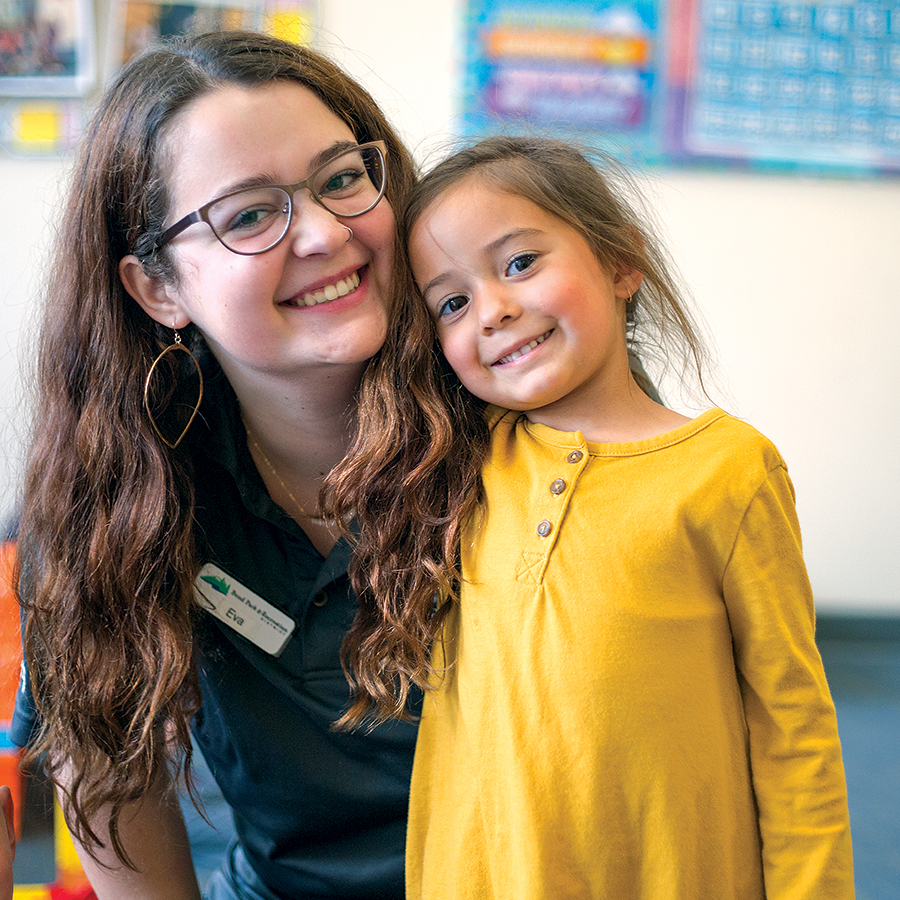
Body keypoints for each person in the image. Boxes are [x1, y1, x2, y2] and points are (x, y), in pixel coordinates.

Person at [325, 136, 855, 899]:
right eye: (452, 302)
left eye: (519, 263)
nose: (494, 311)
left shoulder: (728, 470)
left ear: (619, 263)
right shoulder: (457, 466)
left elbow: (792, 722)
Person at [12, 30, 421, 900]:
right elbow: (101, 768)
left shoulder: (528, 414)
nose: (322, 233)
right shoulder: (118, 484)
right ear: (158, 288)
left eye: (342, 178)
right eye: (247, 215)